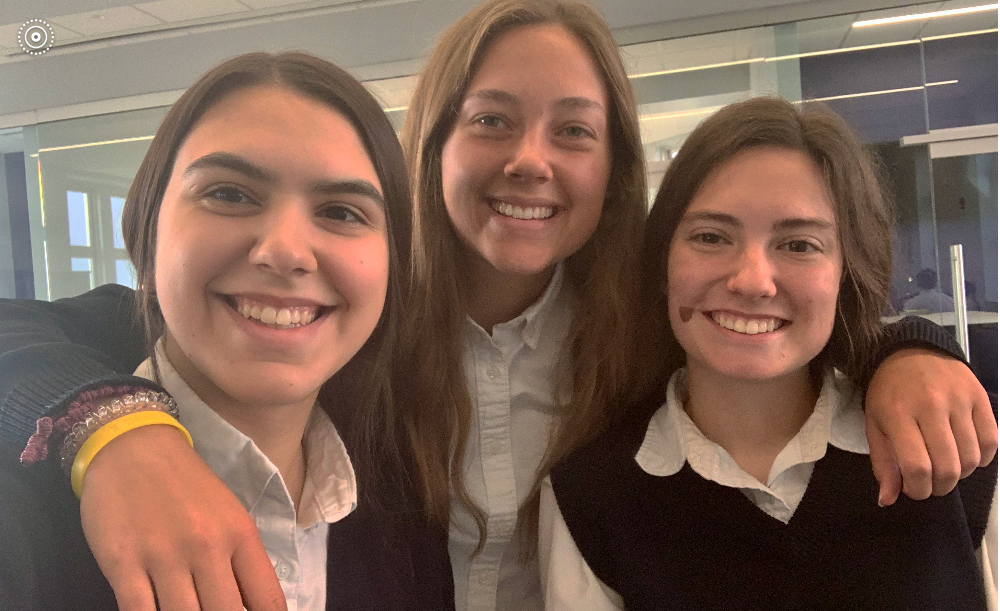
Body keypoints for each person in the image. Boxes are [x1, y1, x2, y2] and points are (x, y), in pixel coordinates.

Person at [0, 2, 995, 610]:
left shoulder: (648, 331)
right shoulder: (336, 321)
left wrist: (911, 350)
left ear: (612, 174)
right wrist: (115, 431)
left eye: (573, 130)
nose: (529, 158)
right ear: (430, 148)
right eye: (490, 121)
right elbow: (38, 329)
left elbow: (781, 317)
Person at [0, 52, 453, 611]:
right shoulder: (22, 517)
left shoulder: (404, 515)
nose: (285, 251)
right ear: (146, 227)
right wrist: (110, 434)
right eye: (230, 194)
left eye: (342, 211)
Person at [540, 97, 998, 610]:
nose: (752, 281)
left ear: (846, 270)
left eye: (799, 245)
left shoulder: (959, 449)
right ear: (662, 263)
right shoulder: (592, 498)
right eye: (710, 236)